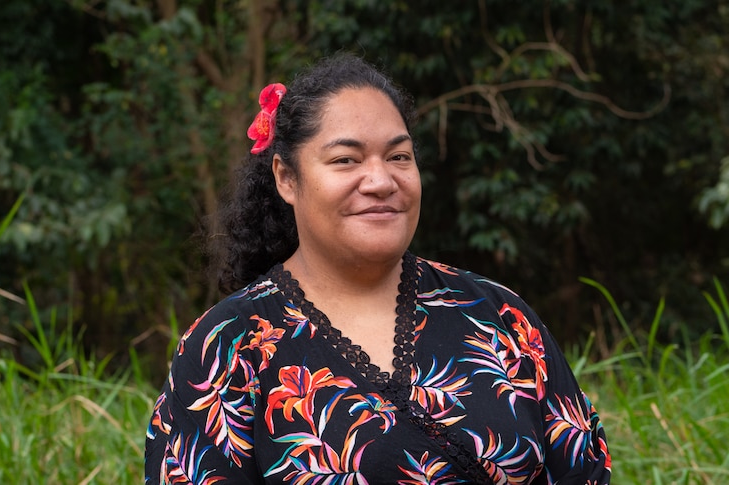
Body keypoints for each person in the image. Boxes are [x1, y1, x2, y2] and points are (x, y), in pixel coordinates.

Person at [145, 53, 611, 484]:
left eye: (398, 157)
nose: (381, 181)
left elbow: (584, 470)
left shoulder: (497, 317)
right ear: (287, 177)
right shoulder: (228, 346)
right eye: (346, 159)